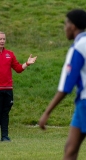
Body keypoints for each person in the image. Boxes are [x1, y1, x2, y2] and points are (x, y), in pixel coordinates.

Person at [39, 9, 86, 160]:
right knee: (70, 149)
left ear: (72, 26)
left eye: (65, 24)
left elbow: (66, 86)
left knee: (70, 151)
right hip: (82, 103)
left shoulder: (78, 47)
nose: (64, 28)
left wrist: (47, 112)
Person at [0, 31, 37, 142]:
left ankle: (5, 136)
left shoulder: (10, 54)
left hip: (7, 88)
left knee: (5, 113)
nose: (2, 41)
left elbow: (18, 68)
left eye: (4, 39)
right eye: (0, 39)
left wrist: (27, 63)